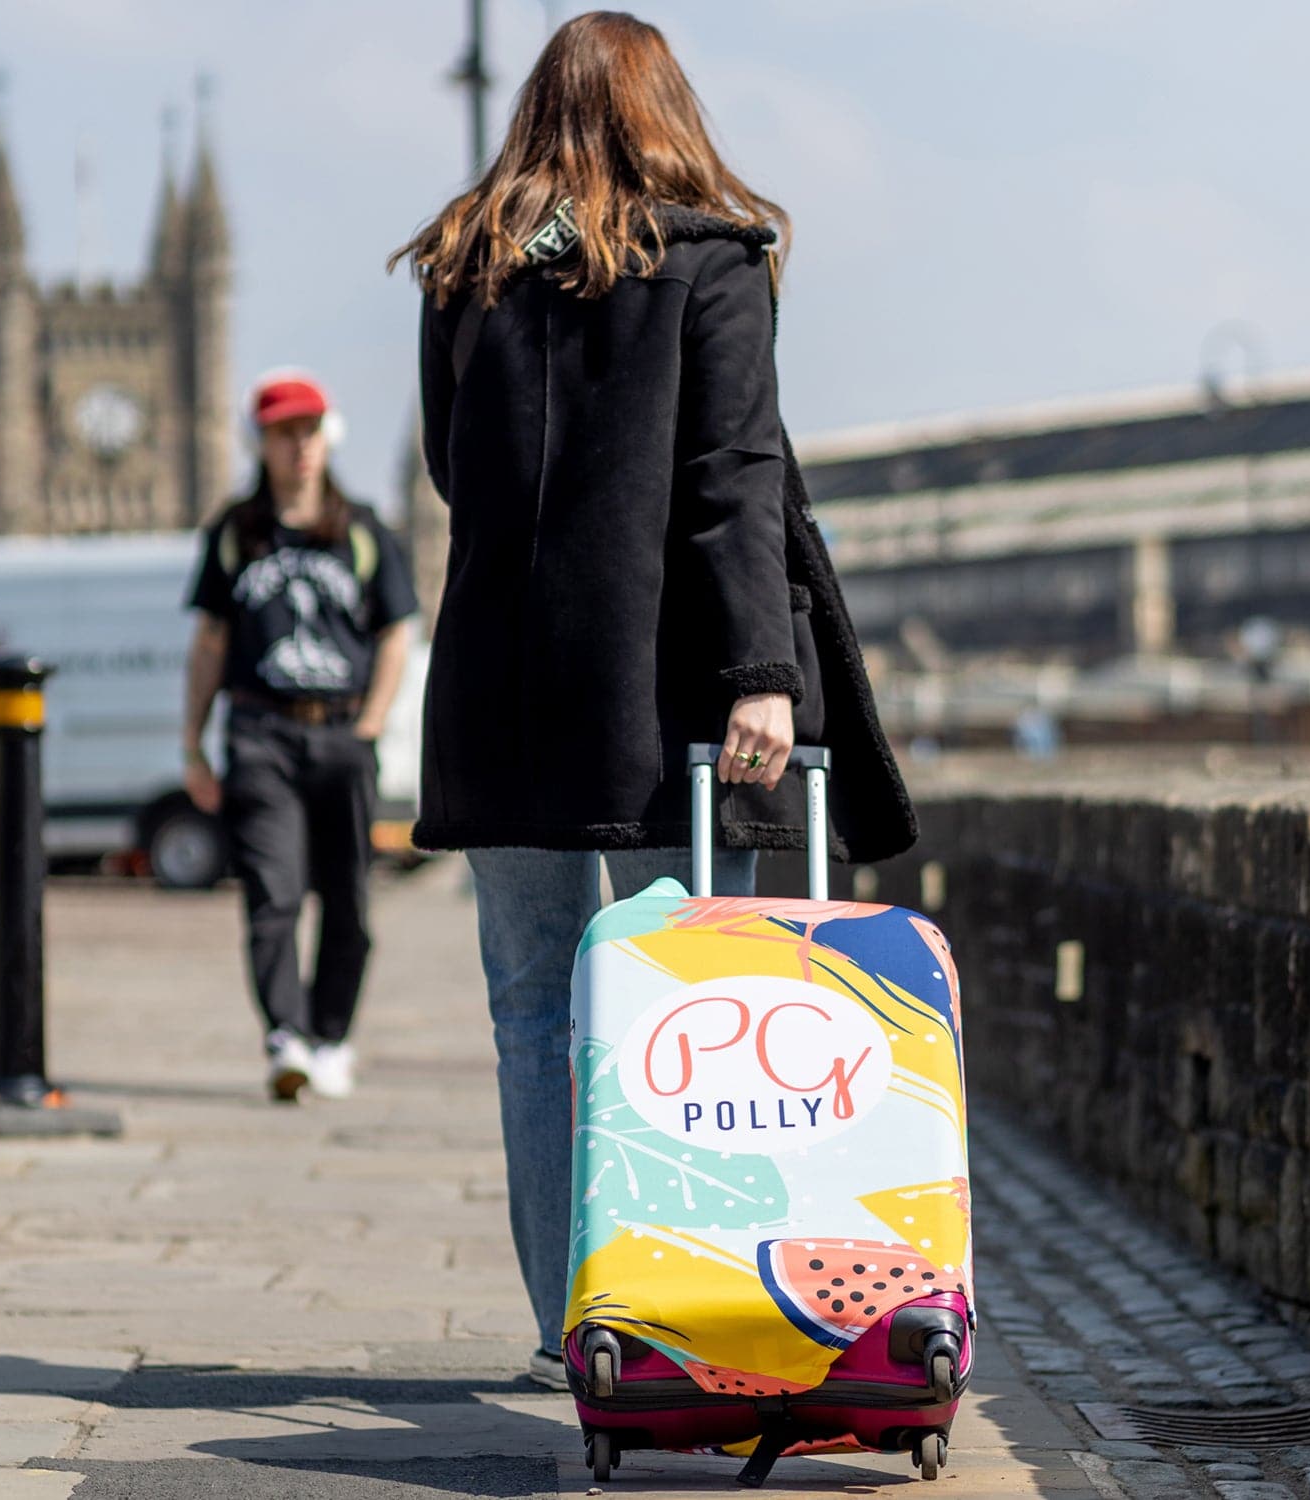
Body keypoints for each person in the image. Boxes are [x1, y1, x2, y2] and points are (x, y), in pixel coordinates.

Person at [391, 11, 916, 1388]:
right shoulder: (711, 265)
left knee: (531, 1013)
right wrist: (760, 677)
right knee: (676, 1013)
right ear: (664, 112)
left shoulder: (465, 268)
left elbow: (455, 473)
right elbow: (731, 483)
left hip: (499, 699)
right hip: (660, 704)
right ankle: (665, 1306)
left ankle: (573, 1317)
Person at [181, 371, 419, 1103]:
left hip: (343, 731)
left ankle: (332, 1036)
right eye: (285, 432)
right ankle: (286, 1035)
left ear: (327, 438)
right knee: (273, 892)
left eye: (310, 430)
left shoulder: (363, 530)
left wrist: (374, 719)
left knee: (348, 899)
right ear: (263, 442)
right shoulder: (235, 532)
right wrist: (193, 741)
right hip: (261, 733)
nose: (300, 446)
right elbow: (211, 642)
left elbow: (398, 631)